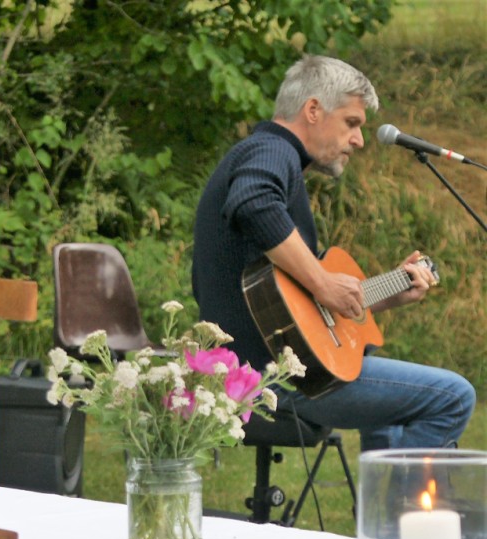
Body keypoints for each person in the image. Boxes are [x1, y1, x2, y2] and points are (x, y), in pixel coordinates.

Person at [191, 54, 476, 456]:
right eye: (352, 123)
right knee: (454, 396)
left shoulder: (270, 156)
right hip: (272, 379)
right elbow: (253, 202)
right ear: (312, 110)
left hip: (265, 367)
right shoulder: (273, 151)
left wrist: (387, 291)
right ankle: (399, 516)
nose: (358, 140)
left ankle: (380, 508)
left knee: (382, 385)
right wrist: (324, 282)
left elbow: (299, 309)